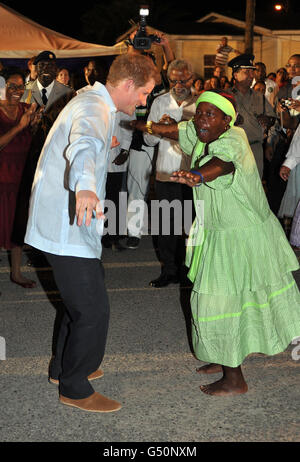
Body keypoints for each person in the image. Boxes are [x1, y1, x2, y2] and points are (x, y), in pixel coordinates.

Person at [132, 89, 300, 396]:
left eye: (210, 115)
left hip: (239, 238)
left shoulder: (232, 141)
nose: (201, 120)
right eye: (199, 113)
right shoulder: (202, 132)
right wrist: (151, 127)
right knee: (235, 300)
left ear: (227, 120)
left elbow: (221, 165)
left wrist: (196, 175)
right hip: (221, 231)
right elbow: (178, 129)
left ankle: (234, 378)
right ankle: (225, 356)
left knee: (218, 301)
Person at [24, 53, 158, 412]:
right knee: (93, 310)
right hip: (67, 223)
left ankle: (62, 369)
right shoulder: (93, 109)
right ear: (128, 85)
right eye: (144, 93)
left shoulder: (93, 101)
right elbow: (83, 143)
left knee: (79, 302)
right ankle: (75, 387)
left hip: (69, 223)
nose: (144, 101)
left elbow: (91, 142)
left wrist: (107, 147)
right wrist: (85, 185)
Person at [11, 51, 75, 266]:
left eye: (51, 65)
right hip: (28, 157)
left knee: (53, 202)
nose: (46, 69)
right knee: (31, 204)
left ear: (57, 69)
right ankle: (34, 248)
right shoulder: (25, 92)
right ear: (35, 68)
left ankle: (51, 248)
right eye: (42, 65)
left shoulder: (67, 93)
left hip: (56, 157)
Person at [141, 59, 197, 288]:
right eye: (173, 80)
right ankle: (169, 270)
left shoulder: (201, 102)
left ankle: (189, 270)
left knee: (192, 225)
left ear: (191, 78)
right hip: (166, 172)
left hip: (193, 175)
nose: (178, 84)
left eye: (182, 80)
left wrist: (179, 126)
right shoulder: (160, 101)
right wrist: (160, 129)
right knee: (167, 224)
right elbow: (147, 138)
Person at [125, 28, 175, 250]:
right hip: (140, 138)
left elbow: (173, 68)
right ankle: (133, 232)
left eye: (152, 65)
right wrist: (133, 42)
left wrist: (165, 45)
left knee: (166, 186)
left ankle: (171, 229)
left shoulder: (162, 84)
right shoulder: (133, 83)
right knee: (137, 187)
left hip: (163, 141)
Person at [0, 68, 38, 288]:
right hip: (2, 179)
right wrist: (20, 127)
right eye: (11, 86)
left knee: (17, 227)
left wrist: (32, 126)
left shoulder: (26, 108)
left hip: (20, 179)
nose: (16, 90)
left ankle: (16, 273)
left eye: (20, 86)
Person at [227, 54, 276, 178]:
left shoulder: (259, 96)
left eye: (252, 72)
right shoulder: (226, 96)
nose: (251, 75)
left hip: (255, 149)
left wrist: (268, 120)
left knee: (255, 188)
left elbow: (273, 119)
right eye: (246, 72)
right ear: (235, 75)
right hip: (232, 149)